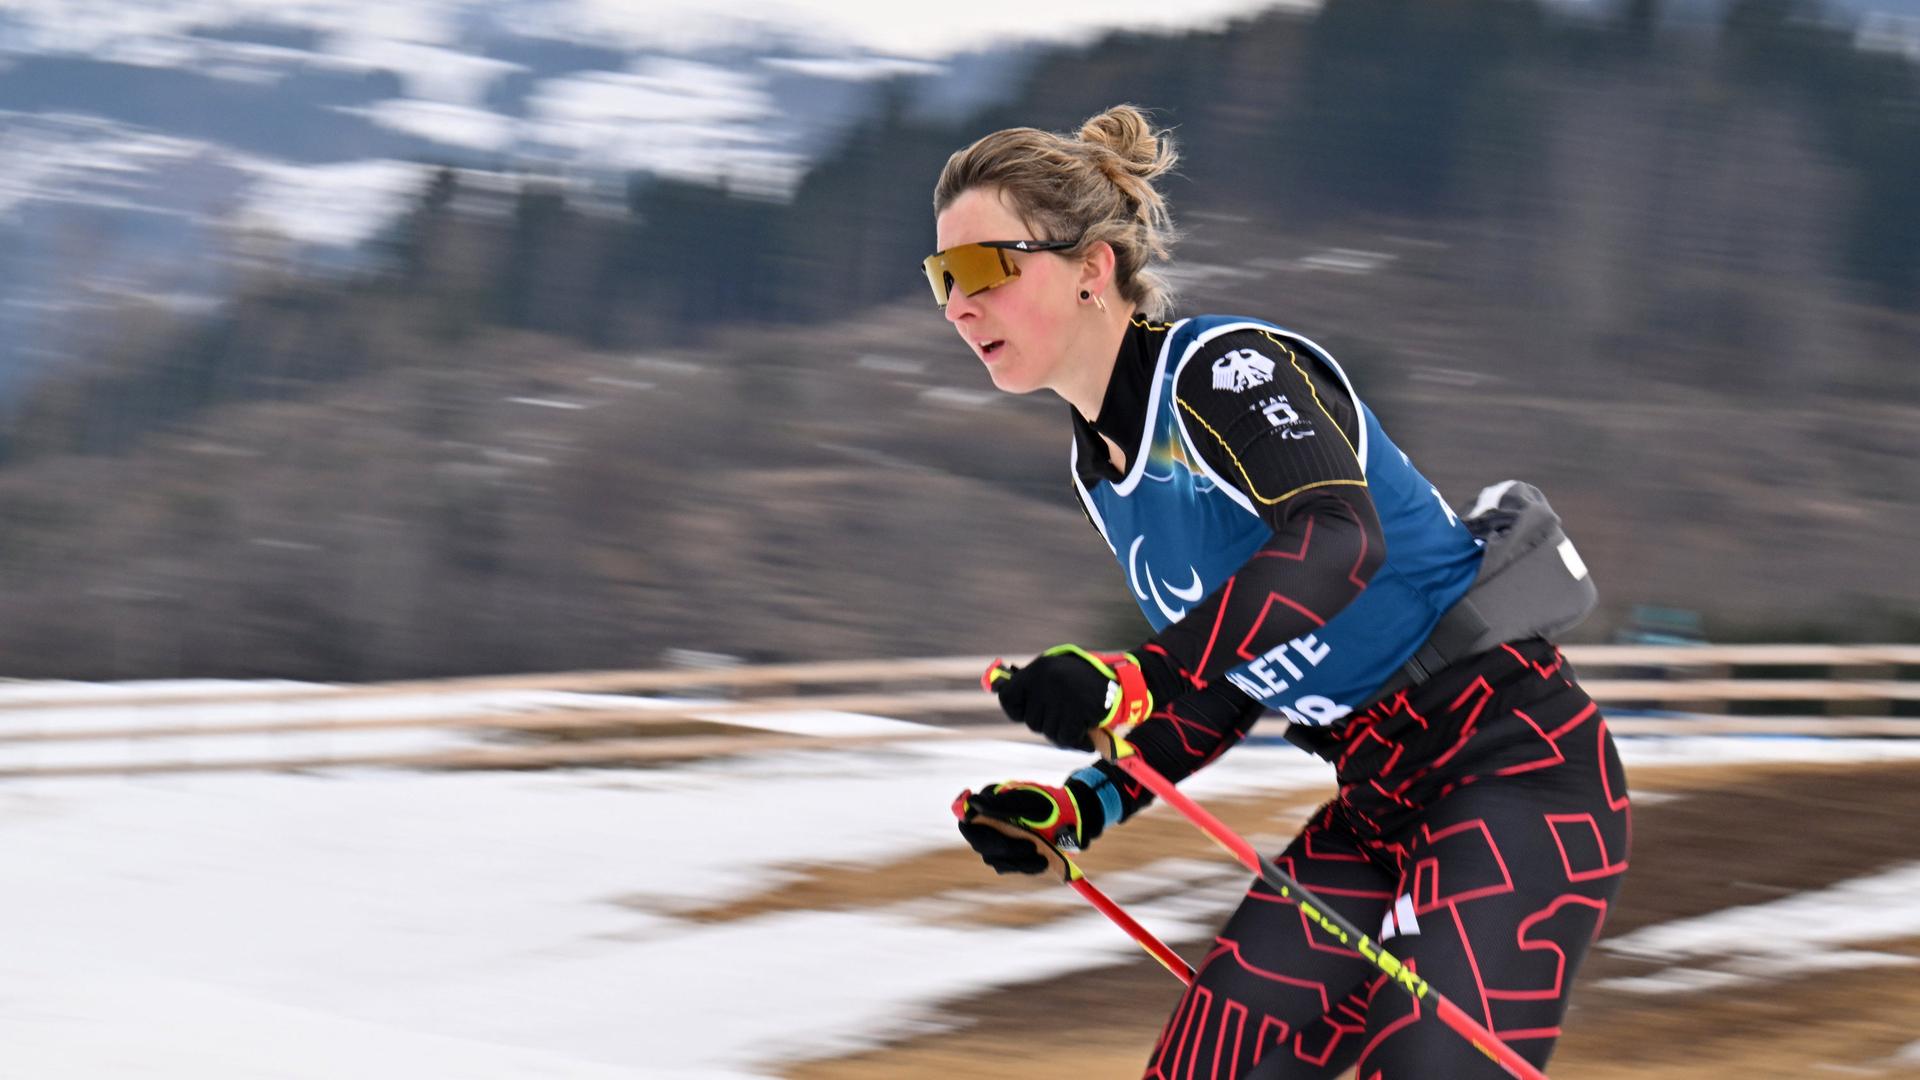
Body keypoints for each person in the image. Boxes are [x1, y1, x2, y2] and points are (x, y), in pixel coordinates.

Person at [933, 105, 1629, 1078]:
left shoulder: (1223, 370)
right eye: (942, 278)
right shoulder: (1105, 474)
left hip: (1509, 763)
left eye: (983, 270)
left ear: (1093, 266)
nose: (958, 306)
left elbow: (1338, 540)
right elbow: (1232, 670)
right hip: (1376, 793)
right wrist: (1087, 804)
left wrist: (1134, 679)